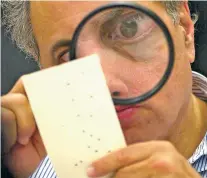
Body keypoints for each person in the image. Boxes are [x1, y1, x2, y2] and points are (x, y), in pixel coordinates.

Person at [1, 1, 207, 178]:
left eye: (129, 29)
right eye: (68, 57)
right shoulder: (31, 162)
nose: (104, 85)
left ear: (184, 26)